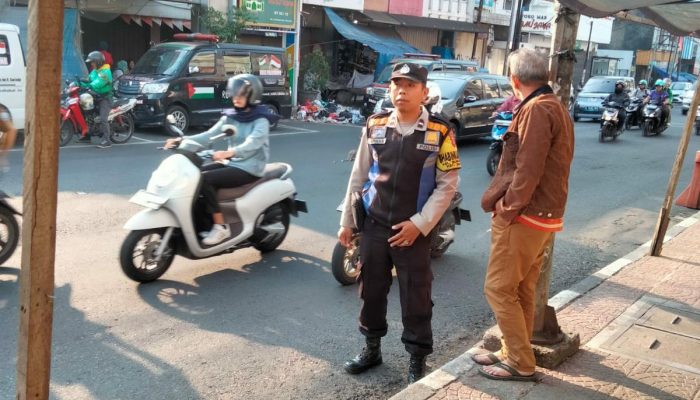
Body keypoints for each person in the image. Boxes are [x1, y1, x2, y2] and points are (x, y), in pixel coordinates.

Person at [339, 62, 461, 384]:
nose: (401, 91)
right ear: (389, 88)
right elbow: (359, 175)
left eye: (410, 85)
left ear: (423, 91)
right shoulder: (374, 125)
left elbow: (447, 185)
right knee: (371, 291)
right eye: (396, 84)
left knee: (415, 295)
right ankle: (371, 348)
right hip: (375, 225)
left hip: (414, 231)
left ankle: (417, 359)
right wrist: (347, 221)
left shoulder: (441, 131)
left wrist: (419, 225)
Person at [477, 48, 574, 382]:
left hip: (527, 215)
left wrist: (507, 208)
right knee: (519, 289)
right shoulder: (555, 106)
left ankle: (520, 361)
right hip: (544, 215)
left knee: (498, 289)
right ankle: (513, 350)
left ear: (514, 80)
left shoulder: (536, 110)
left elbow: (527, 170)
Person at [165, 74, 279, 246]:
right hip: (232, 163)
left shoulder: (261, 119)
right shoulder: (231, 116)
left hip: (250, 167)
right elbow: (208, 136)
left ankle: (221, 227)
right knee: (195, 175)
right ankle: (203, 223)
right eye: (234, 94)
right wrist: (182, 142)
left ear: (252, 95)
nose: (236, 99)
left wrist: (229, 153)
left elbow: (253, 143)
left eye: (241, 95)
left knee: (206, 180)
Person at [80, 51, 113, 148]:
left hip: (105, 98)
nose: (91, 64)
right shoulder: (95, 71)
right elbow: (88, 80)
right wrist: (78, 83)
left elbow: (99, 83)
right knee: (87, 114)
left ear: (98, 61)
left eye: (93, 62)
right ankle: (87, 135)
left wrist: (89, 85)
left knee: (103, 118)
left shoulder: (106, 72)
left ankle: (107, 140)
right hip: (96, 96)